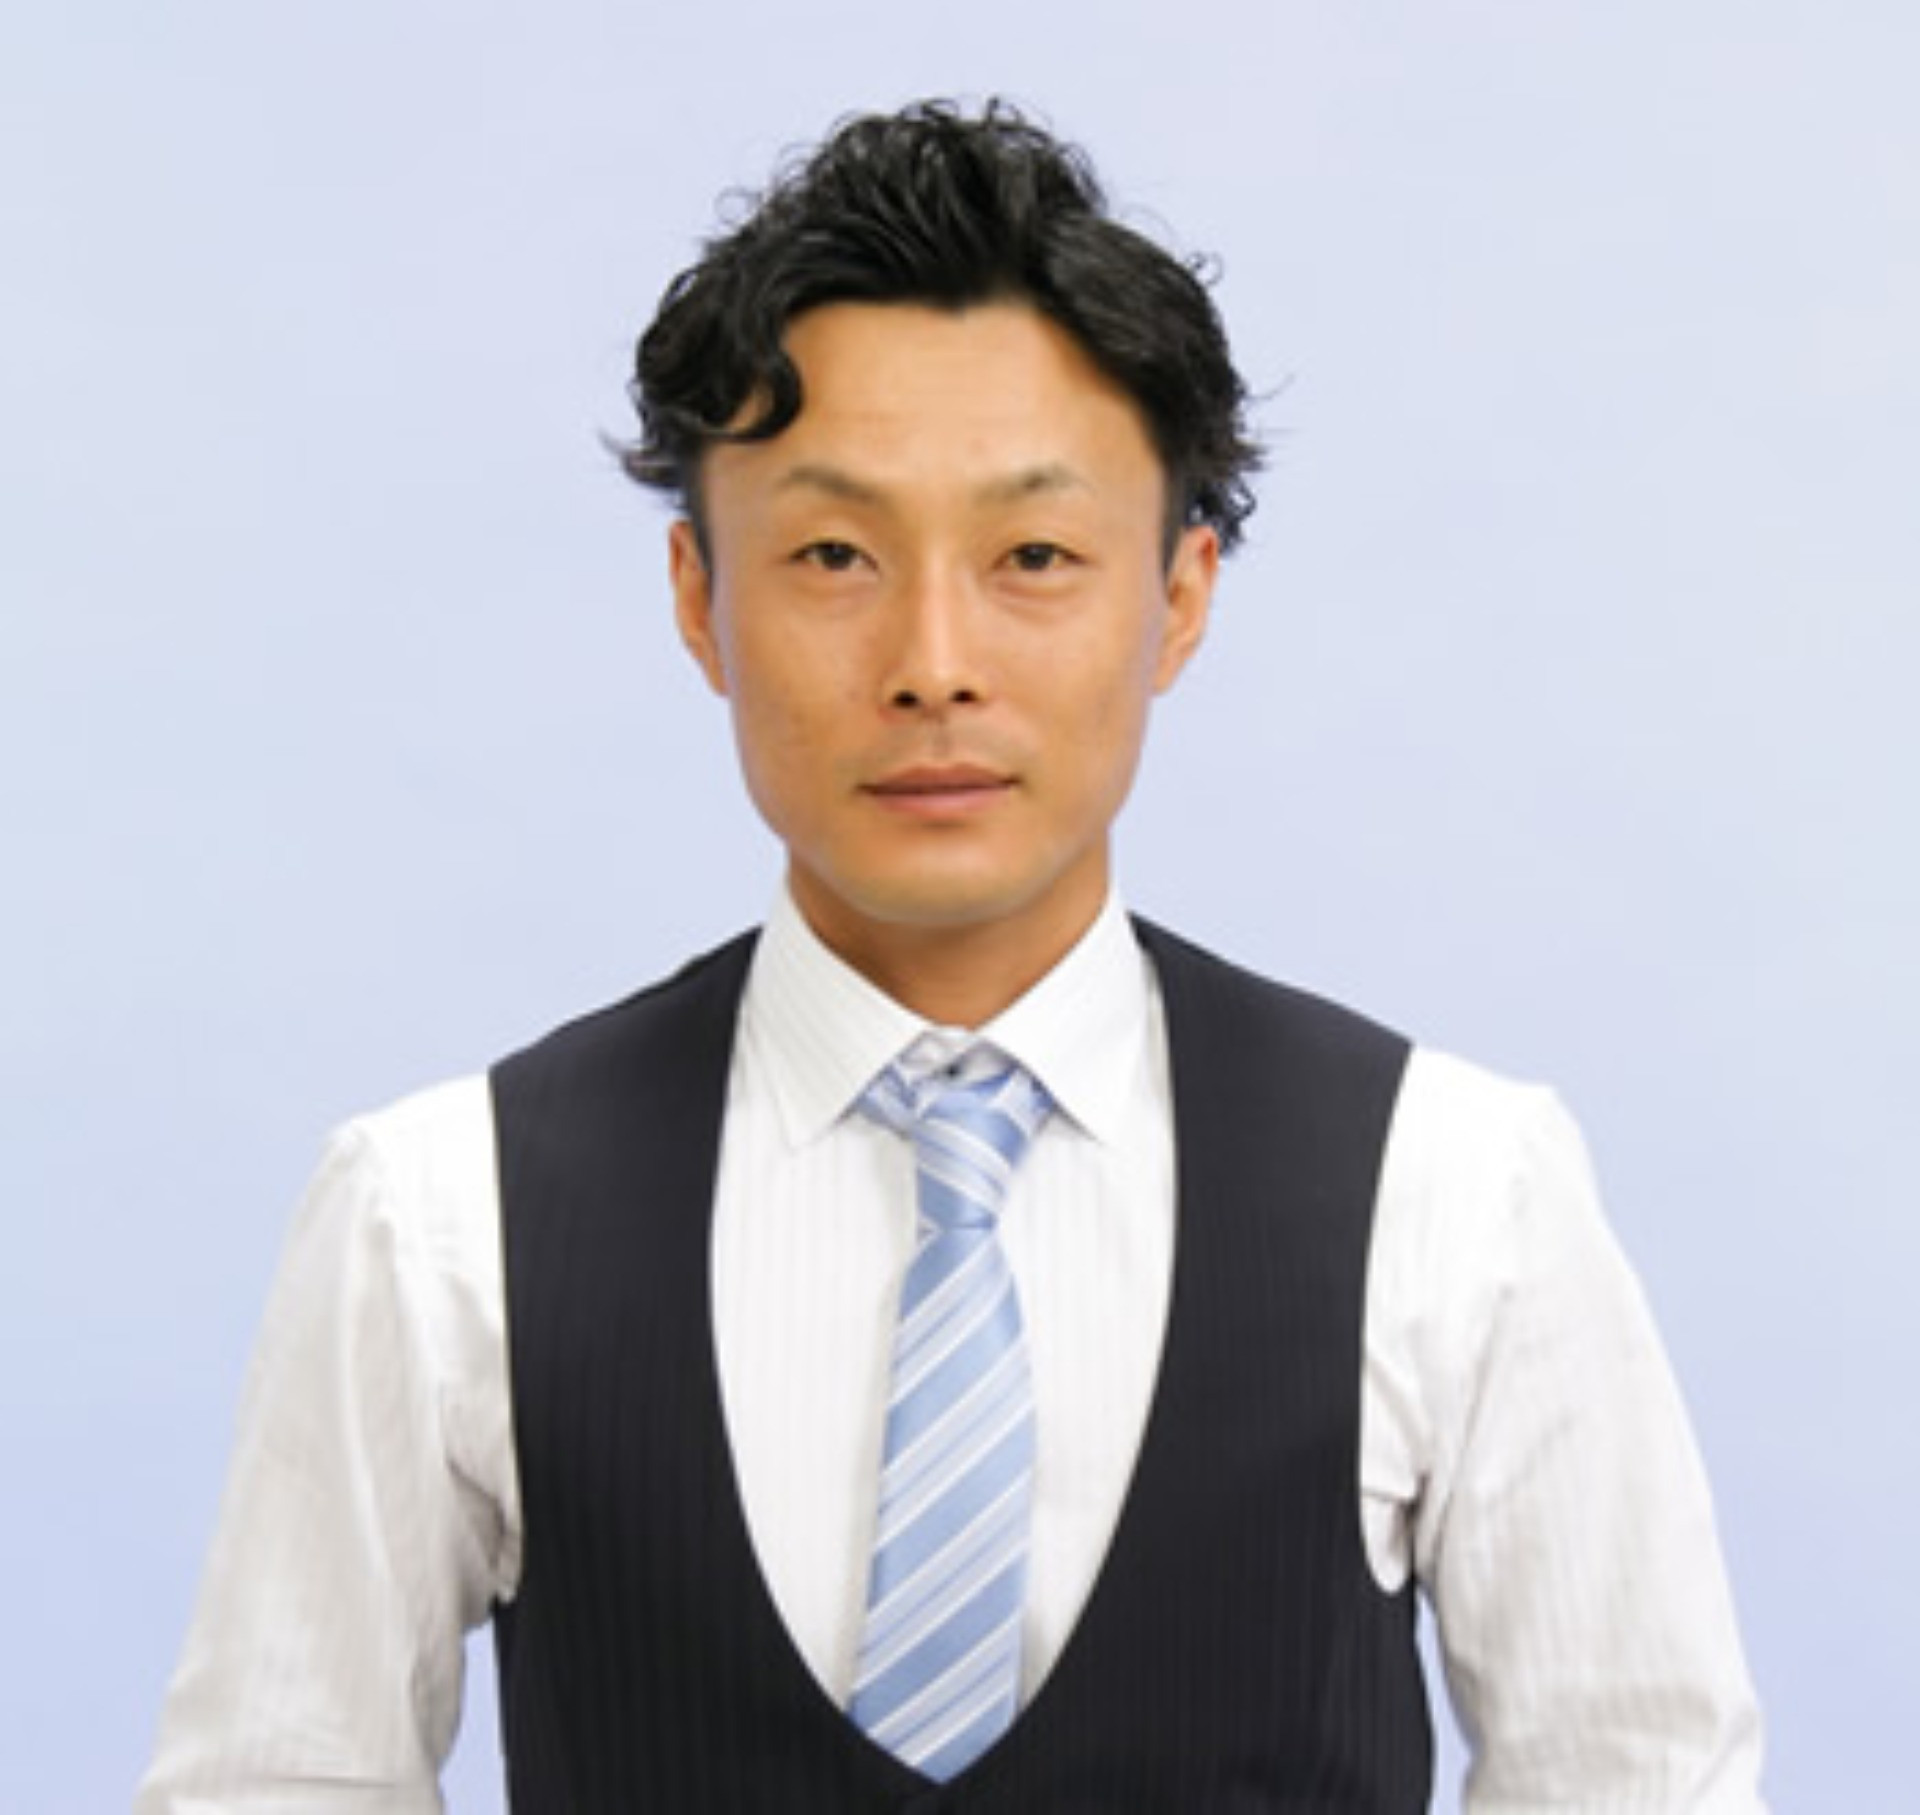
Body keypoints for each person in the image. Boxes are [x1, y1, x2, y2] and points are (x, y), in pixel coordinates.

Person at [139, 100, 1766, 1811]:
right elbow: (273, 1782)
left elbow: (1637, 1776)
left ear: (1181, 596)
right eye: (834, 555)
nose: (933, 660)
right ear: (698, 597)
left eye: (1034, 557)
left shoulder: (1458, 1193)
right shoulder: (435, 1213)